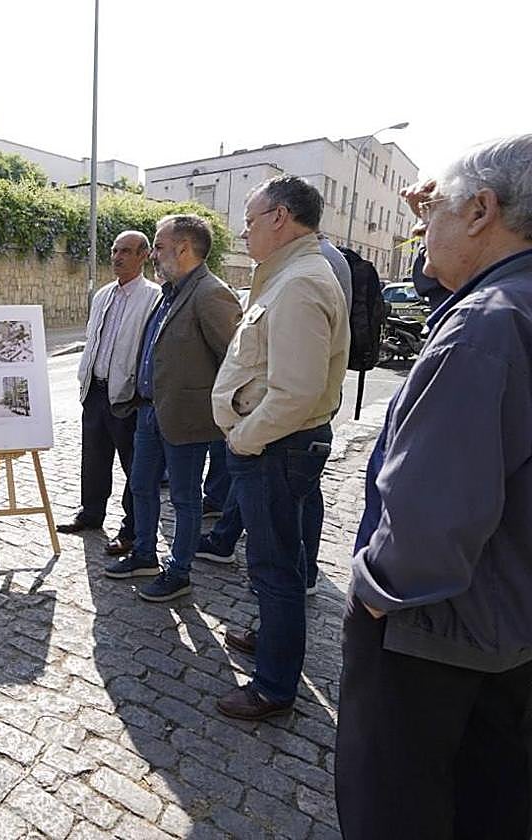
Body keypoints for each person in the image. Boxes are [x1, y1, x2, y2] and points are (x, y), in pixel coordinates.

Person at [336, 135, 532, 839]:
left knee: (395, 806)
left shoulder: (484, 328)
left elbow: (433, 514)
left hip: (433, 635)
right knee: (488, 800)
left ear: (483, 210)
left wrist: (378, 595)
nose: (420, 225)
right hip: (505, 622)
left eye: (435, 210)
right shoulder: (508, 298)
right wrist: (440, 217)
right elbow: (452, 282)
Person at [210, 176, 348, 719]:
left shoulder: (299, 283)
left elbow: (296, 391)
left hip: (276, 445)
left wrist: (244, 439)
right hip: (276, 444)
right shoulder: (287, 276)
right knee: (279, 559)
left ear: (280, 217)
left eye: (249, 219)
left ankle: (272, 685)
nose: (243, 231)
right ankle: (272, 638)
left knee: (275, 567)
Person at [105, 216, 241, 601]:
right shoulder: (171, 291)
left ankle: (178, 571)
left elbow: (235, 360)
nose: (153, 255)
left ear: (183, 248)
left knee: (184, 497)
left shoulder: (210, 293)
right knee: (141, 485)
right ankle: (145, 553)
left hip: (186, 418)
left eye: (159, 246)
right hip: (149, 412)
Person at [56, 230, 160, 556]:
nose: (117, 257)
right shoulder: (103, 295)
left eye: (126, 251)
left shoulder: (153, 297)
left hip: (127, 396)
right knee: (94, 458)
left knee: (134, 467)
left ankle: (131, 530)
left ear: (144, 255)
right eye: (115, 250)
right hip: (95, 391)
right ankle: (91, 513)